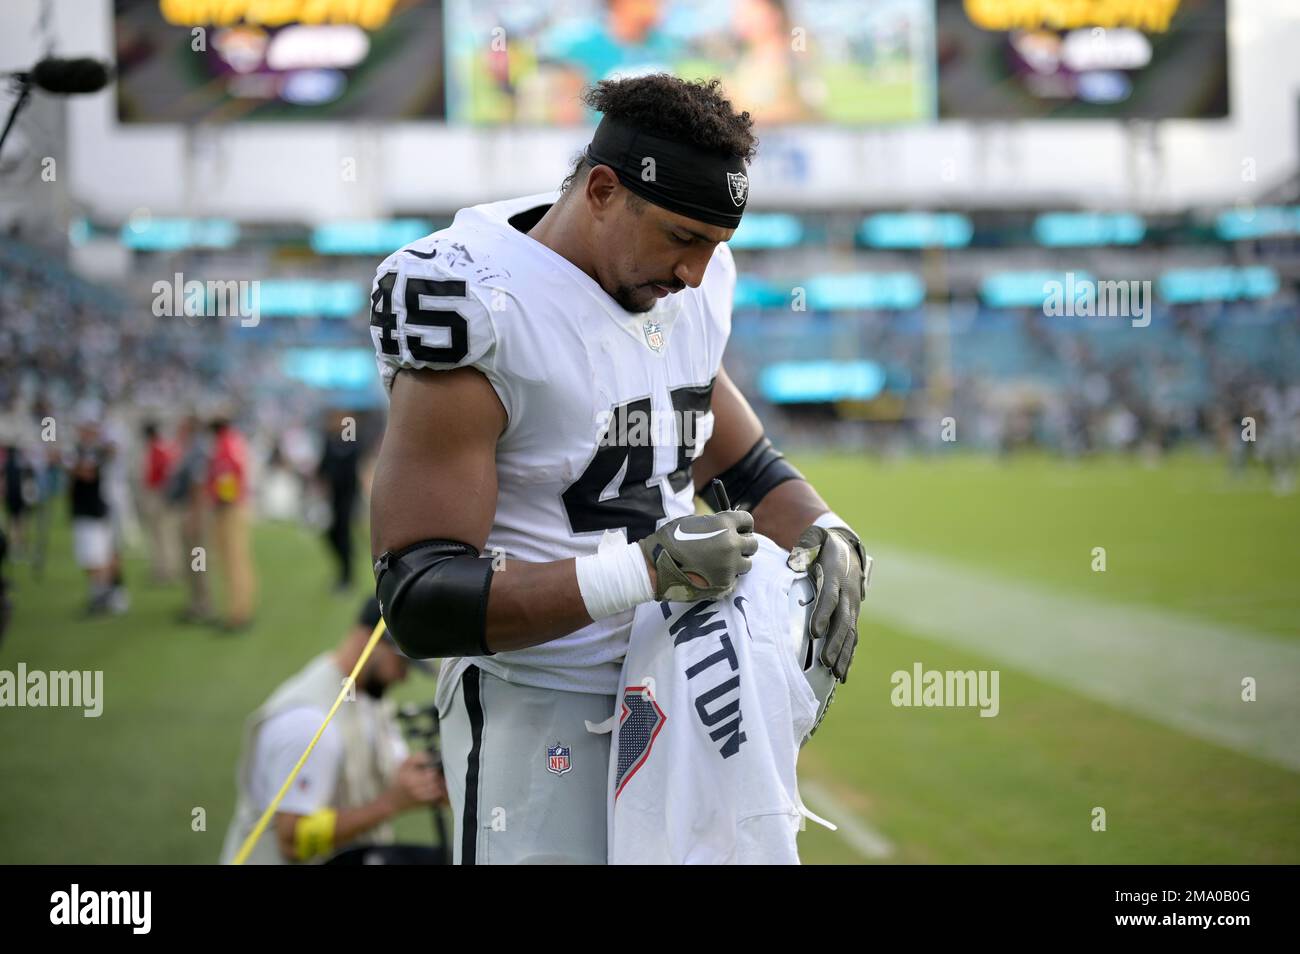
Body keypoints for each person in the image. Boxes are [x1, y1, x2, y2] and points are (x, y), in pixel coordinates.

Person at [367, 75, 869, 865]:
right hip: (538, 706)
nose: (697, 273)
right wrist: (643, 571)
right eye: (681, 239)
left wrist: (826, 530)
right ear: (603, 190)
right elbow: (422, 596)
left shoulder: (688, 282)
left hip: (687, 690)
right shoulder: (475, 300)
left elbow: (734, 456)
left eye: (716, 245)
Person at [220, 598, 447, 865]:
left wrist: (421, 778)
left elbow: (386, 769)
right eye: (403, 663)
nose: (404, 677)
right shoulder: (309, 725)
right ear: (367, 641)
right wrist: (390, 804)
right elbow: (292, 840)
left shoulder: (371, 697)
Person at [207, 413, 256, 631]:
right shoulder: (232, 441)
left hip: (229, 507)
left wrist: (224, 501)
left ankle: (238, 613)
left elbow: (226, 475)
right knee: (237, 559)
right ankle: (239, 608)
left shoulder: (224, 444)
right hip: (235, 505)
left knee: (232, 560)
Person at [168, 414, 213, 623]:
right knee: (193, 560)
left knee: (197, 559)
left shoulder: (197, 451)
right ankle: (197, 602)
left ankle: (202, 604)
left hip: (194, 511)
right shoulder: (191, 449)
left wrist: (194, 517)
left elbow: (198, 485)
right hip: (191, 509)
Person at [317, 410, 361, 591]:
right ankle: (345, 568)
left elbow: (348, 454)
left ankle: (347, 576)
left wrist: (345, 427)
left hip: (347, 495)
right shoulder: (330, 439)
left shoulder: (346, 437)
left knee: (342, 533)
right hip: (333, 496)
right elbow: (324, 464)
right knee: (333, 534)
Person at [138, 421, 180, 583]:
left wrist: (165, 493)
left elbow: (168, 472)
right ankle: (162, 567)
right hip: (156, 493)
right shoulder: (158, 448)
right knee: (159, 533)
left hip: (158, 494)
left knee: (163, 533)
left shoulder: (159, 449)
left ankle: (167, 569)